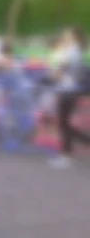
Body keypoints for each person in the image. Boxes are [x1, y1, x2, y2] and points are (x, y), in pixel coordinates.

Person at [48, 27, 88, 169]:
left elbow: (60, 72)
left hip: (68, 91)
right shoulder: (74, 51)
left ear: (74, 38)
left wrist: (55, 71)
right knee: (65, 124)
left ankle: (65, 156)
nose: (65, 38)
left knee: (64, 124)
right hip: (69, 90)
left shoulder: (72, 52)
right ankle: (67, 153)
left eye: (67, 36)